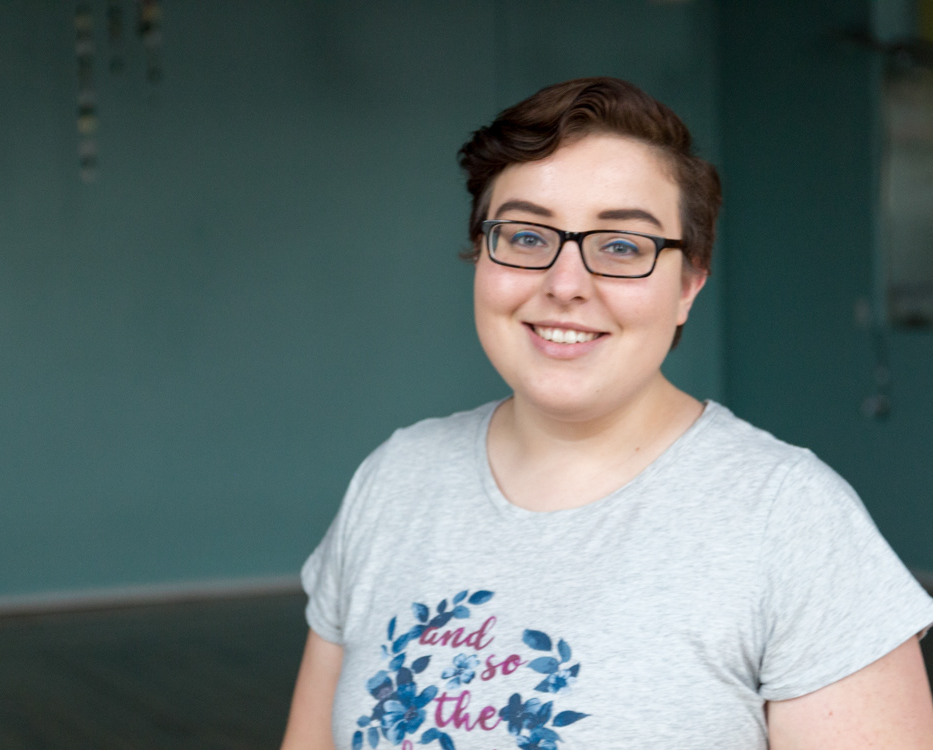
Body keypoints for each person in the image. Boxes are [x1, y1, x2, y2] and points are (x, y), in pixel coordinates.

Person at [280, 78, 933, 750]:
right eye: (526, 235)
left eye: (621, 246)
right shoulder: (396, 481)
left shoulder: (790, 520)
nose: (565, 284)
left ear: (688, 285)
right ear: (481, 253)